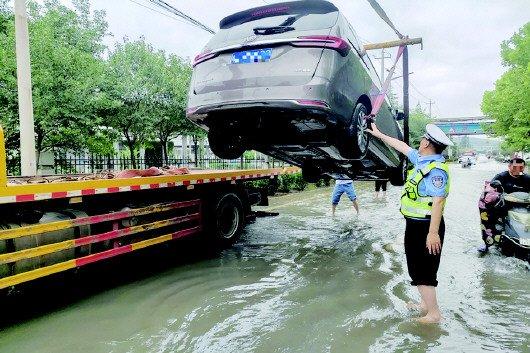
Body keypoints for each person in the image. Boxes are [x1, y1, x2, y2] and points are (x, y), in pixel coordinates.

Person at [368, 122, 453, 324]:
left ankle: (434, 315)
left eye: (423, 139)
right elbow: (402, 146)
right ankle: (425, 305)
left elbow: (438, 201)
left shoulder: (436, 170)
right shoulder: (422, 160)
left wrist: (433, 234)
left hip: (427, 227)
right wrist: (379, 134)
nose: (419, 141)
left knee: (423, 270)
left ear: (426, 143)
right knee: (416, 267)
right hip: (415, 225)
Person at [478, 155, 529, 250]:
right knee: (489, 217)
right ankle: (487, 243)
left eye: (521, 167)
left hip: (525, 206)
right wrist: (495, 187)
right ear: (509, 166)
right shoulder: (502, 176)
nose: (518, 169)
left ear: (524, 168)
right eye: (515, 167)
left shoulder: (527, 178)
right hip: (503, 206)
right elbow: (491, 187)